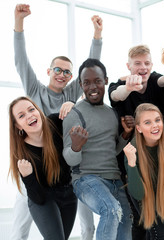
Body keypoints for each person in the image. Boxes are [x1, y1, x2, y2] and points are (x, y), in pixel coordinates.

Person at [13, 4, 102, 240]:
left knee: (87, 226)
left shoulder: (71, 93)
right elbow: (21, 59)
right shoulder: (34, 90)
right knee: (20, 228)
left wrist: (97, 35)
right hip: (36, 170)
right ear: (49, 71)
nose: (62, 74)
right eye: (57, 70)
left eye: (67, 72)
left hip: (65, 172)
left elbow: (91, 65)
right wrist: (19, 22)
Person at [62, 59, 131, 240]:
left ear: (106, 81)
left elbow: (112, 151)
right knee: (111, 210)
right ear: (80, 85)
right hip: (86, 179)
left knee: (127, 218)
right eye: (87, 82)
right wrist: (76, 146)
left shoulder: (112, 113)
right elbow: (69, 159)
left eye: (97, 81)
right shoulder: (74, 114)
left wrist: (125, 135)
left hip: (115, 180)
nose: (93, 87)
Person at [9, 96, 77, 240]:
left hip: (68, 193)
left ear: (38, 111)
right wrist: (27, 177)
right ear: (18, 126)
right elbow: (38, 198)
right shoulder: (22, 153)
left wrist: (72, 105)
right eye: (21, 116)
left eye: (31, 109)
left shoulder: (55, 122)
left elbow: (82, 119)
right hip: (43, 198)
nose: (29, 115)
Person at [123, 103, 164, 240]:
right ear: (139, 128)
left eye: (157, 120)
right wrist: (131, 163)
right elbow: (138, 193)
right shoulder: (132, 150)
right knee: (160, 234)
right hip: (145, 194)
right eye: (148, 122)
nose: (155, 125)